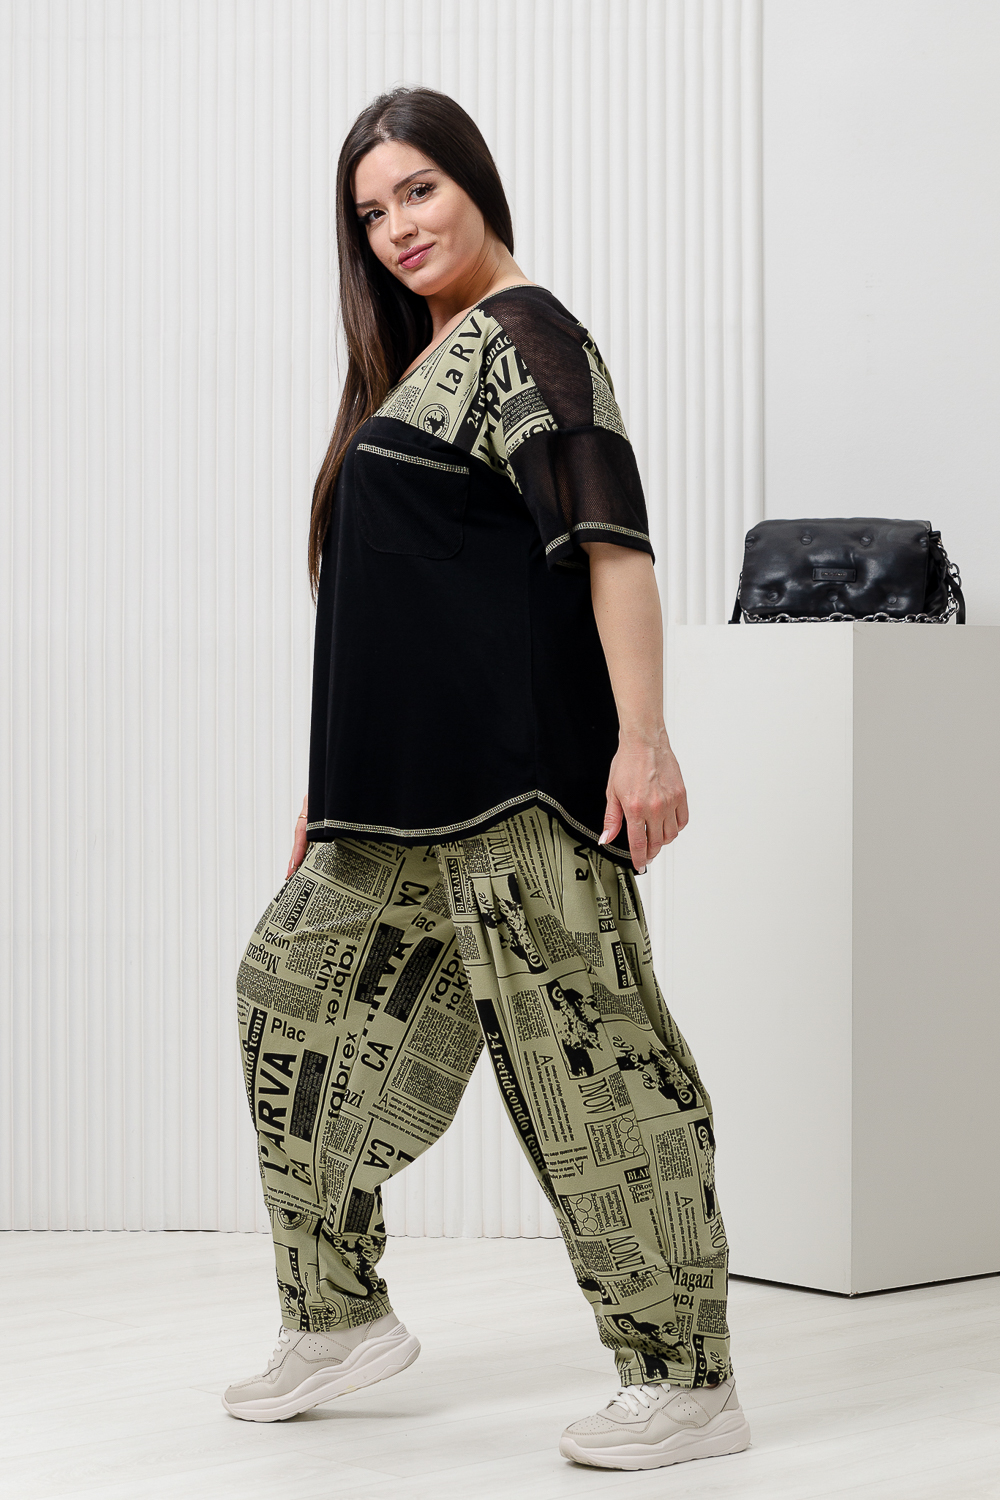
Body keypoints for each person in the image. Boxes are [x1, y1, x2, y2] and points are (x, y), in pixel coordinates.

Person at [223, 85, 751, 1473]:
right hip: (391, 805)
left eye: (419, 190)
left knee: (590, 1068)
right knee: (287, 996)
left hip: (522, 786)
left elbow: (613, 551)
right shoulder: (420, 365)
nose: (397, 227)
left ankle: (684, 1378)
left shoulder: (529, 338)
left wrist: (645, 739)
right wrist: (327, 786)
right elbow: (386, 612)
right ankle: (337, 1315)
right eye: (370, 212)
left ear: (476, 183)